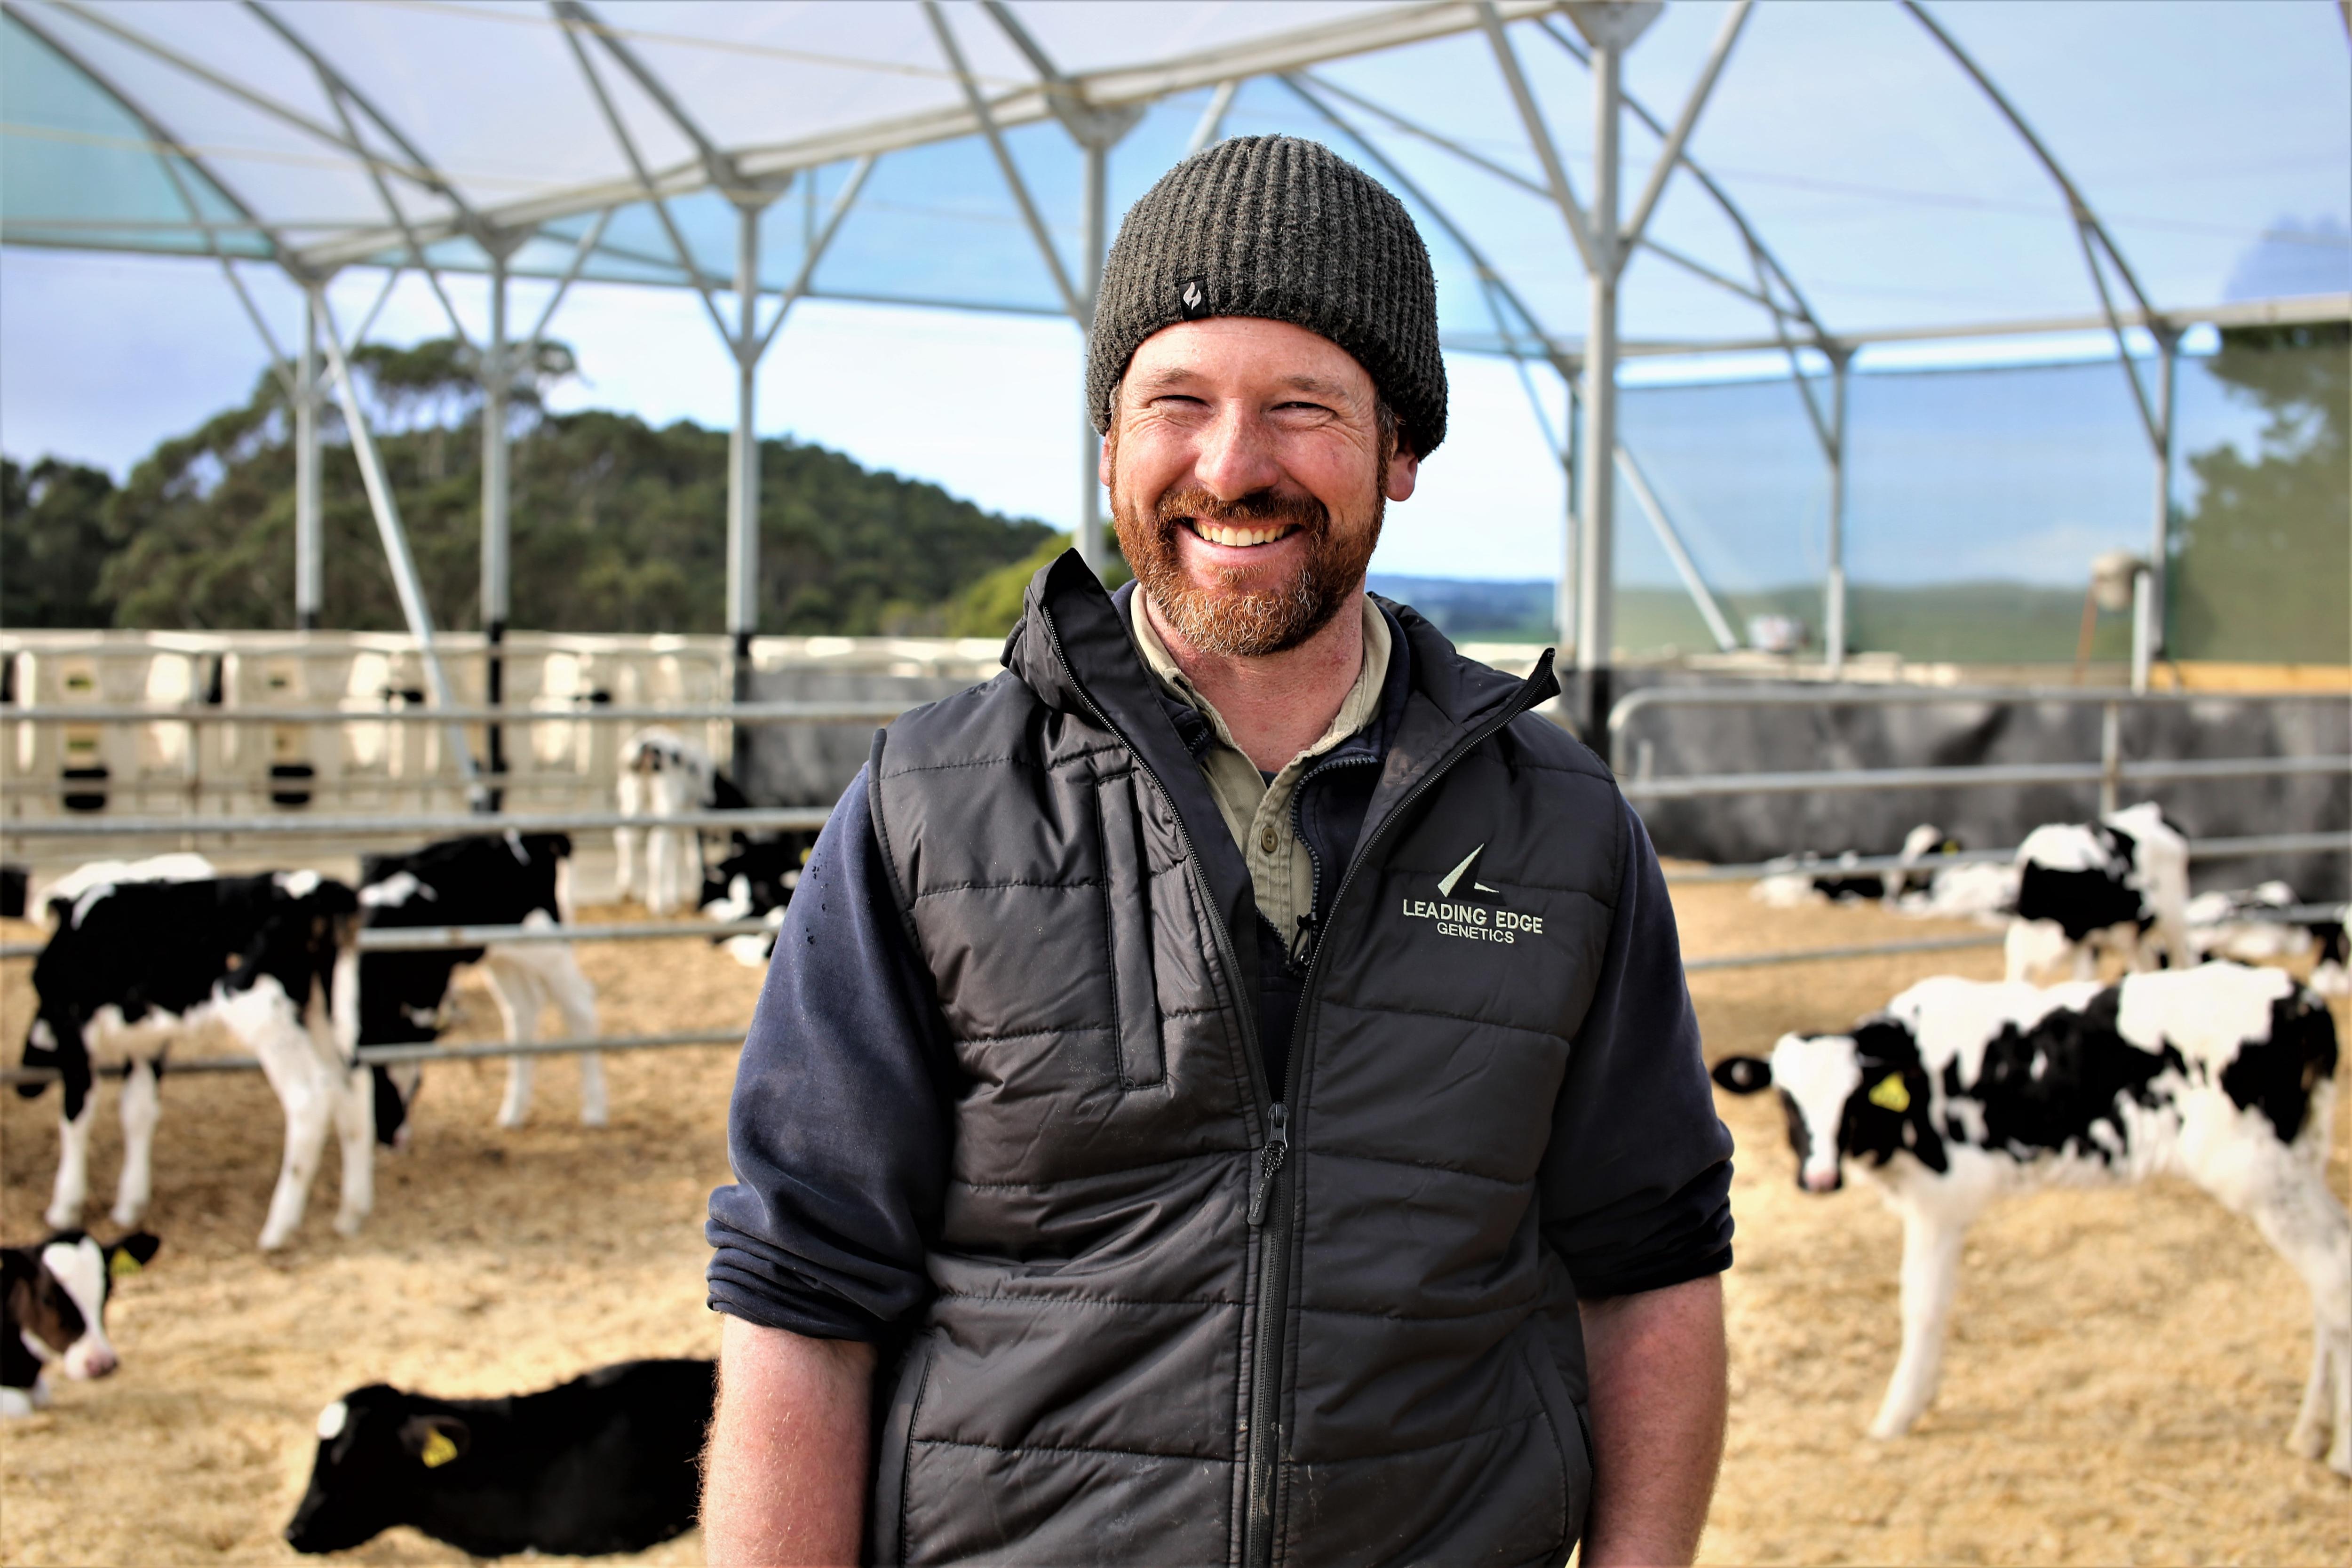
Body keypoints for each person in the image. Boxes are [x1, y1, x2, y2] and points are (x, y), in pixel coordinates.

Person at [702, 135, 1733, 1568]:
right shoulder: (931, 806)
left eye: (1304, 405)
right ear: (1111, 440)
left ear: (1402, 449)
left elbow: (1654, 1264)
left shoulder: (1560, 828)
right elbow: (803, 1291)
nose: (1232, 466)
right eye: (1175, 401)